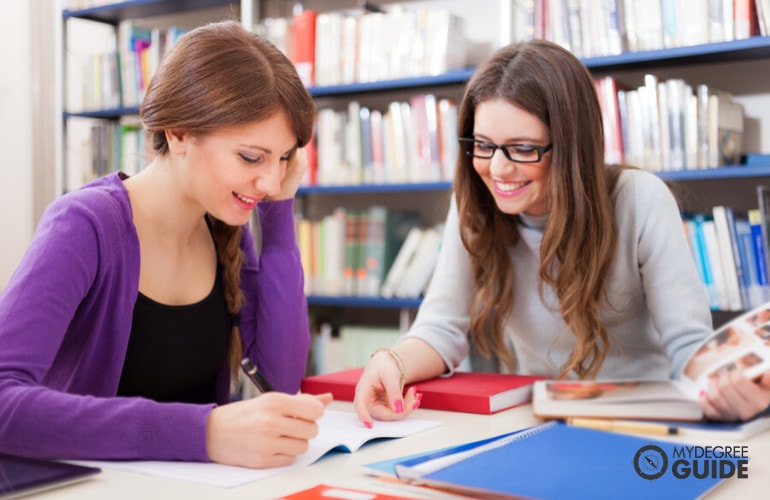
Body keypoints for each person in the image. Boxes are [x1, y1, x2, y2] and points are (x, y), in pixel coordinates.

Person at [353, 39, 770, 426]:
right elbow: (440, 329)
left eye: (523, 148)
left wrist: (724, 392)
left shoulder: (640, 200)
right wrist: (393, 363)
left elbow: (689, 346)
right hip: (537, 418)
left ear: (572, 147)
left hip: (645, 419)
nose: (497, 170)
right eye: (483, 145)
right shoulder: (474, 204)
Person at [0, 21, 331, 468]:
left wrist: (279, 212)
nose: (271, 181)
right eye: (251, 157)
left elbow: (282, 377)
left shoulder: (227, 232)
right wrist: (203, 432)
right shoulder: (85, 225)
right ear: (177, 133)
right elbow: (4, 404)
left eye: (285, 158)